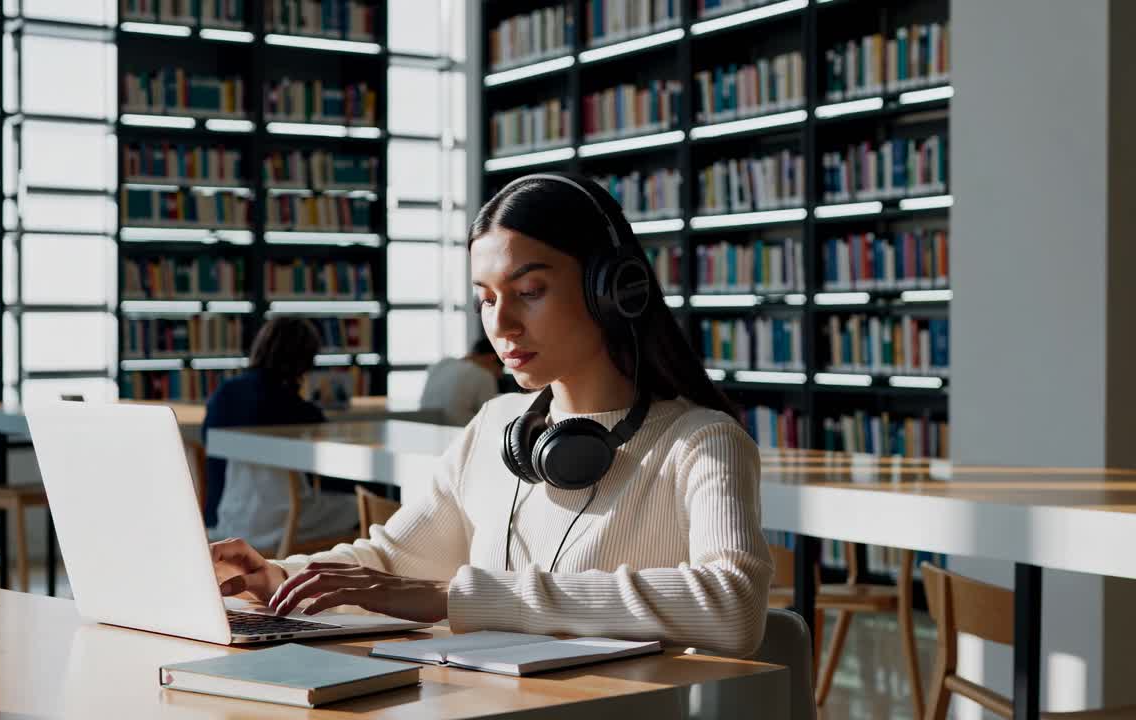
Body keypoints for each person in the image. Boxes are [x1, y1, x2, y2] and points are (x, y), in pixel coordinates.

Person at [211, 172, 772, 656]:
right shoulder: (496, 426)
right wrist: (279, 577)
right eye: (485, 297)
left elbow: (733, 604)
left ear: (611, 291)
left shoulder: (700, 441)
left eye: (529, 290)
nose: (501, 324)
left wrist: (453, 597)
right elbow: (390, 559)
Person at [202, 316, 358, 549]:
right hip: (278, 522)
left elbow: (208, 443)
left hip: (225, 517)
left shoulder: (225, 391)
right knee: (363, 507)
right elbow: (329, 466)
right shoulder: (293, 407)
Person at [417, 337, 503, 425]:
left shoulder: (442, 364)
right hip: (459, 432)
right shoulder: (484, 375)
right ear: (491, 358)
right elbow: (490, 417)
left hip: (428, 428)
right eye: (500, 367)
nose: (500, 375)